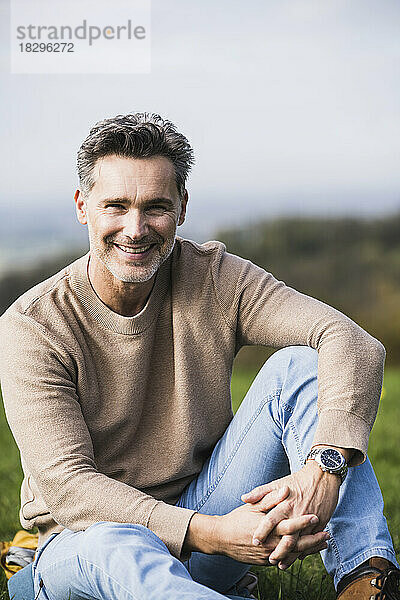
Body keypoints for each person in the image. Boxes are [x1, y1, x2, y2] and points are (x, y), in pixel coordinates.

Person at [0, 113, 399, 600]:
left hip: (208, 528)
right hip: (85, 548)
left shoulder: (215, 278)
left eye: (156, 207)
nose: (136, 228)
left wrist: (324, 470)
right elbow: (69, 488)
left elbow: (351, 340)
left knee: (300, 366)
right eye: (116, 206)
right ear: (83, 206)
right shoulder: (33, 326)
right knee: (118, 544)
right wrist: (212, 532)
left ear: (182, 207)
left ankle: (365, 579)